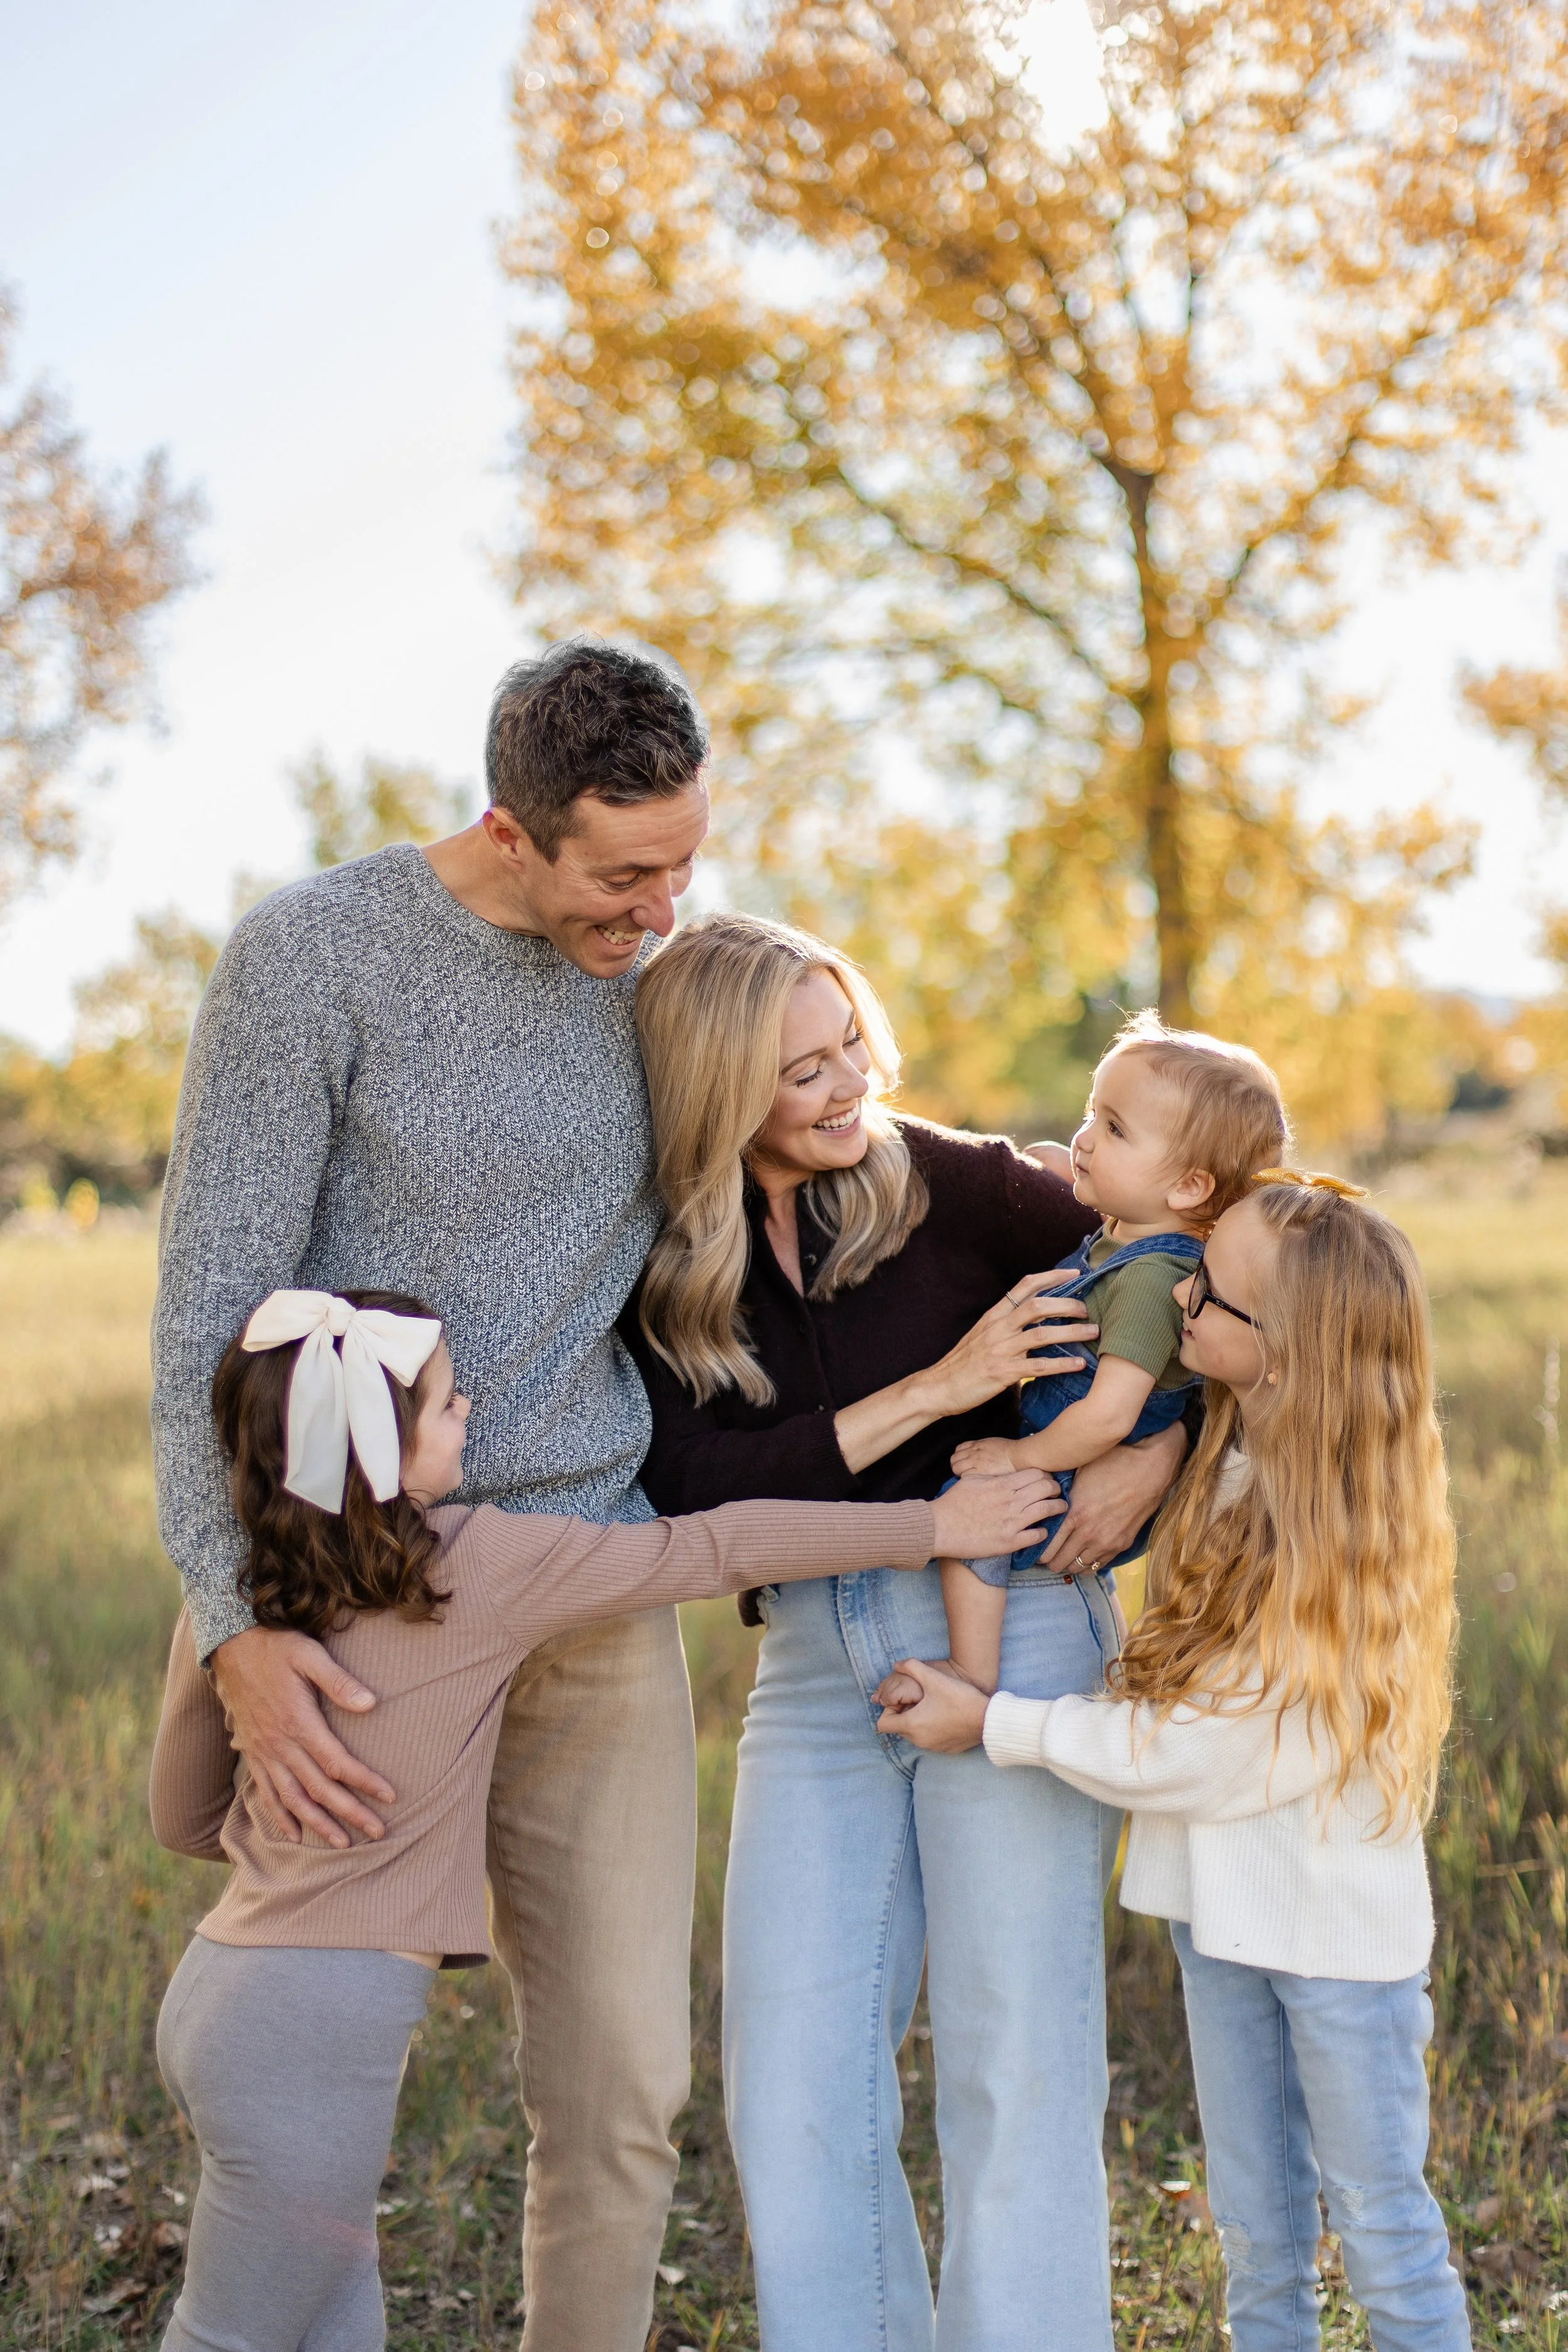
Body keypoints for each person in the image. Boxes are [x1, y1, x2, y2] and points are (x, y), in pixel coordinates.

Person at [149, 1284, 1056, 2352]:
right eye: (444, 1405)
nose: (469, 1408)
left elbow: (183, 1814)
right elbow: (709, 1550)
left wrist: (300, 1857)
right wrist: (933, 1527)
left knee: (335, 2313)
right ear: (382, 1455)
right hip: (323, 2023)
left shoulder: (236, 1604)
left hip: (223, 1994)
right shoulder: (476, 1565)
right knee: (233, 2334)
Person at [150, 639, 715, 2352]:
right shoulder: (311, 957)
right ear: (512, 828)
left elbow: (837, 1114)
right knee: (323, 2095)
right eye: (623, 873)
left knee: (625, 2086)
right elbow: (206, 1323)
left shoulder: (666, 977)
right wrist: (240, 1630)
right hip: (358, 1617)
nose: (661, 906)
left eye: (689, 859)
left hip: (592, 1580)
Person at [622, 911, 1192, 2352]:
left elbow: (1227, 1265)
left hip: (1021, 1628)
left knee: (1018, 2059)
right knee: (790, 2074)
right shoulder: (675, 1255)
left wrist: (1150, 1462)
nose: (844, 1083)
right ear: (712, 1092)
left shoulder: (967, 1182)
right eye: (797, 1070)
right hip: (812, 1666)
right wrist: (943, 1389)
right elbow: (689, 1490)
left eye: (848, 1042)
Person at [881, 1175, 1470, 2352]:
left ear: (1288, 1350)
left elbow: (1206, 1756)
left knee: (1382, 2230)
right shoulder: (1233, 1458)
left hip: (1337, 1952)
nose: (1178, 1300)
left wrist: (997, 1723)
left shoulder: (1334, 1533)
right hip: (1222, 1926)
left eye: (1210, 1296)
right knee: (1258, 2236)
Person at [938, 1014, 1287, 1693]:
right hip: (1074, 1452)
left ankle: (969, 1674)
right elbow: (1055, 1161)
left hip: (1078, 1471)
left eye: (1115, 1129)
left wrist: (1017, 1459)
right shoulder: (1122, 1233)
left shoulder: (1154, 1277)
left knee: (966, 1513)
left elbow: (1108, 1418)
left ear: (1188, 1188)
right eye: (1090, 1113)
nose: (1084, 1139)